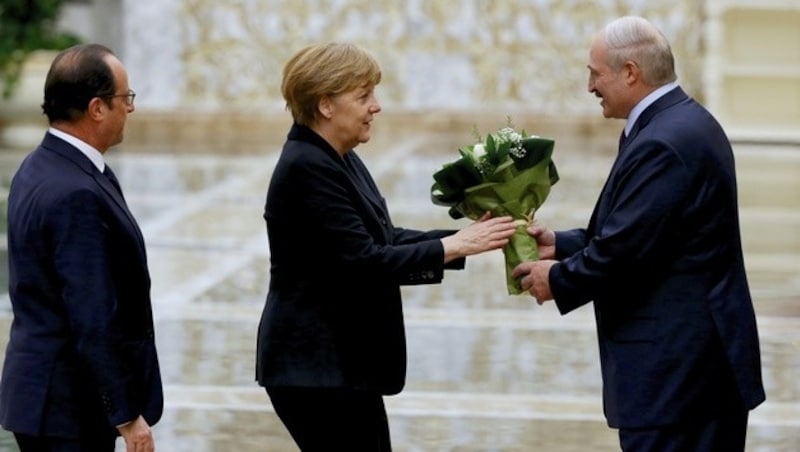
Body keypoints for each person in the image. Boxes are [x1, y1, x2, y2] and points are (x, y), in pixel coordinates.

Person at [512, 16, 765, 452]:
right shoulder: (676, 123)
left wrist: (555, 279)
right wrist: (564, 245)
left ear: (630, 72)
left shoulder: (664, 141)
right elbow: (654, 236)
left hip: (679, 377)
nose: (590, 86)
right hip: (691, 373)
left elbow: (624, 251)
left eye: (595, 74)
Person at [256, 42, 517, 451]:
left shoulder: (337, 156)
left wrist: (463, 240)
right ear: (325, 105)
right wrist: (454, 247)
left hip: (341, 366)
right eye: (363, 96)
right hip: (315, 370)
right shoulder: (307, 167)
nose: (375, 106)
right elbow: (363, 262)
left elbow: (383, 238)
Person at [0, 44, 162, 452]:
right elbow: (92, 314)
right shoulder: (76, 190)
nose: (131, 108)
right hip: (66, 409)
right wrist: (125, 415)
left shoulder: (42, 166)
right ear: (96, 108)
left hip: (46, 399)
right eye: (126, 98)